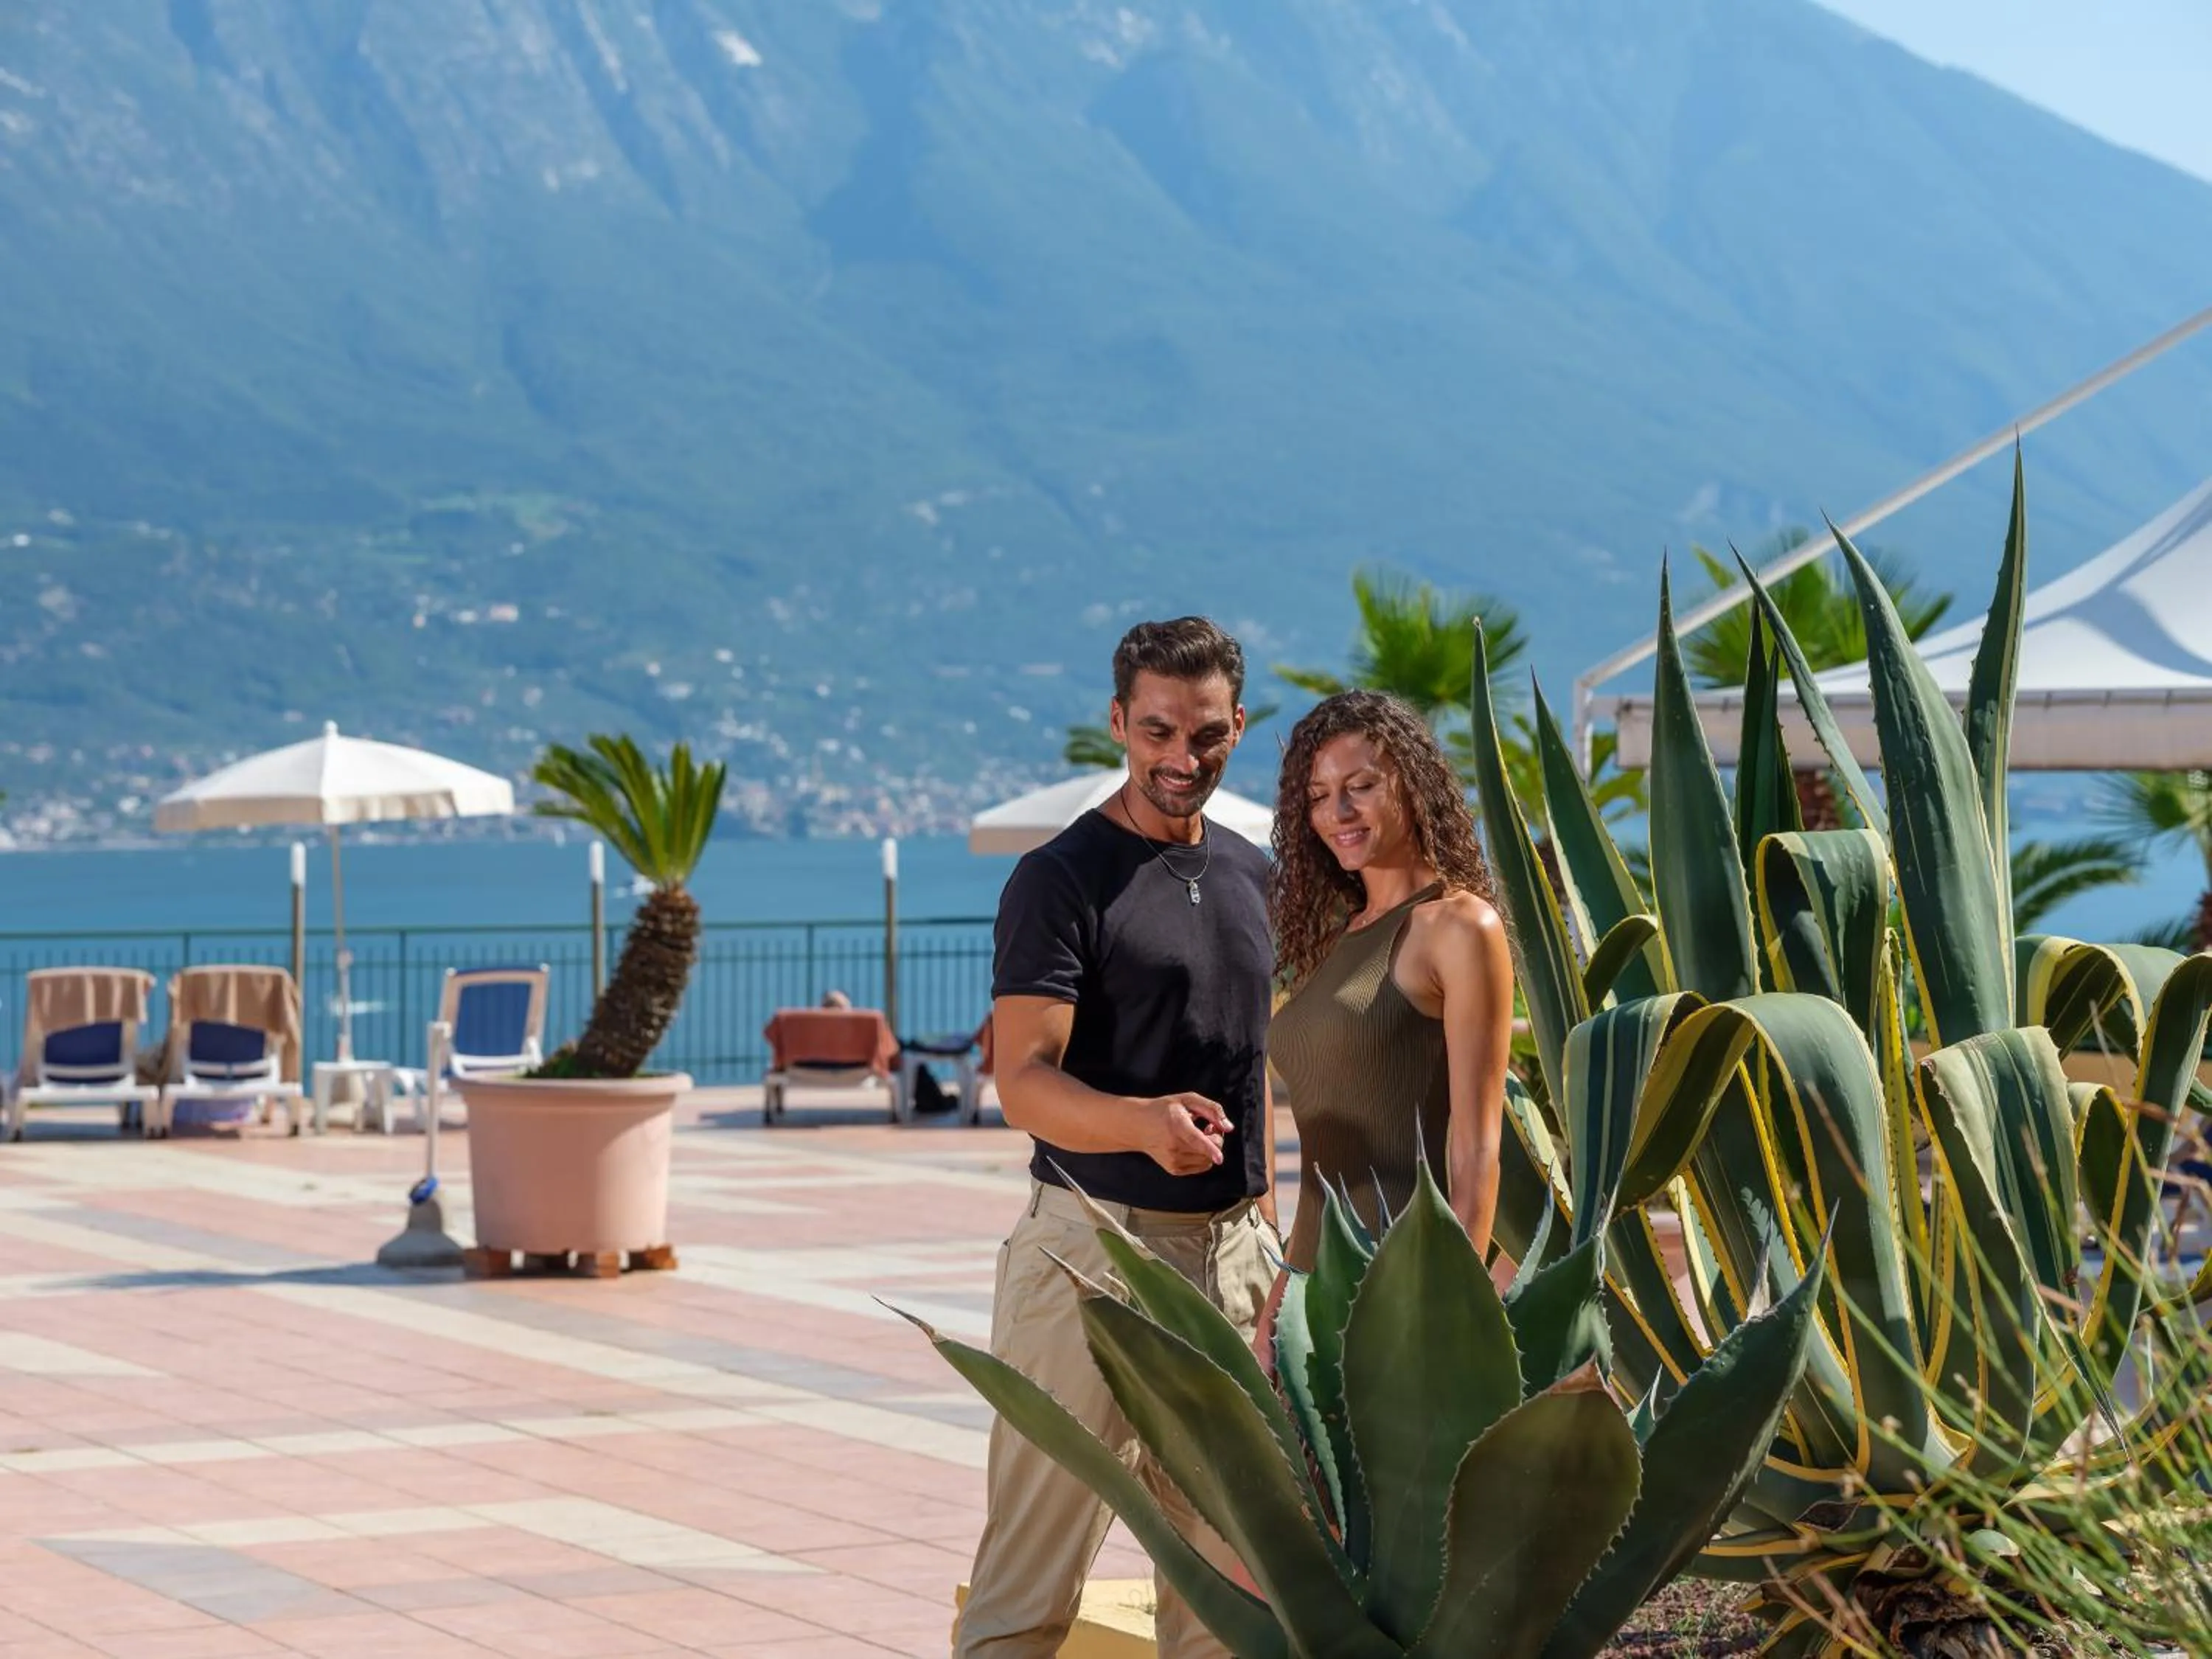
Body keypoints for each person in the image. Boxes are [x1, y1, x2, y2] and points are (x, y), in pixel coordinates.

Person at [955, 617, 1279, 1659]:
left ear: (1239, 726)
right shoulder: (1058, 878)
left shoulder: (1256, 874)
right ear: (1118, 723)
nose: (1184, 757)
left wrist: (1273, 1246)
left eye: (1208, 733)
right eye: (1159, 731)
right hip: (1089, 1258)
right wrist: (1141, 1125)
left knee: (1232, 1603)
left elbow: (1259, 1074)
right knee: (1026, 1596)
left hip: (1233, 1266)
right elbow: (1023, 1080)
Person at [1265, 689, 1514, 1287]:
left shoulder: (1459, 926)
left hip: (1408, 1282)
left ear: (1412, 782)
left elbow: (1478, 1150)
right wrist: (1280, 1303)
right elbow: (1322, 1174)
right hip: (1312, 1289)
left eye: (1361, 786)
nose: (1339, 812)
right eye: (1319, 797)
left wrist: (1449, 1299)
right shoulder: (1334, 938)